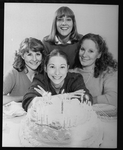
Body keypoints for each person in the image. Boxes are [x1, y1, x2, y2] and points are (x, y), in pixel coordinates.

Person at [22, 49, 93, 112]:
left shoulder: (75, 79)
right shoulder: (40, 79)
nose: (57, 72)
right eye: (52, 67)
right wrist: (64, 97)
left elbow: (87, 99)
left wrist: (48, 100)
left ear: (67, 68)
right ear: (45, 68)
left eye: (62, 67)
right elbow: (28, 103)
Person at [70, 33, 118, 107]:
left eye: (91, 51)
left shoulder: (108, 73)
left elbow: (114, 99)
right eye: (82, 49)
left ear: (99, 55)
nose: (84, 55)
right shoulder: (69, 73)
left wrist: (89, 100)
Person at [3, 37, 45, 105]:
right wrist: (24, 97)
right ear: (22, 56)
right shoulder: (13, 73)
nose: (34, 59)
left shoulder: (43, 74)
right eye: (29, 54)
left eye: (37, 54)